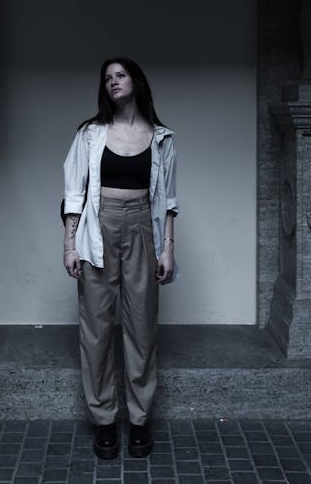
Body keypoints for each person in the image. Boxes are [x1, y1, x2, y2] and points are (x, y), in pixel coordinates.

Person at [62, 57, 178, 459]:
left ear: (136, 81)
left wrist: (167, 248)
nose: (113, 81)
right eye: (107, 78)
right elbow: (73, 193)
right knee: (95, 328)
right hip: (100, 225)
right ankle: (105, 421)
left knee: (141, 326)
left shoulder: (161, 137)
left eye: (121, 75)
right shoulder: (90, 134)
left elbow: (170, 201)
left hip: (143, 225)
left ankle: (140, 420)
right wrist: (69, 244)